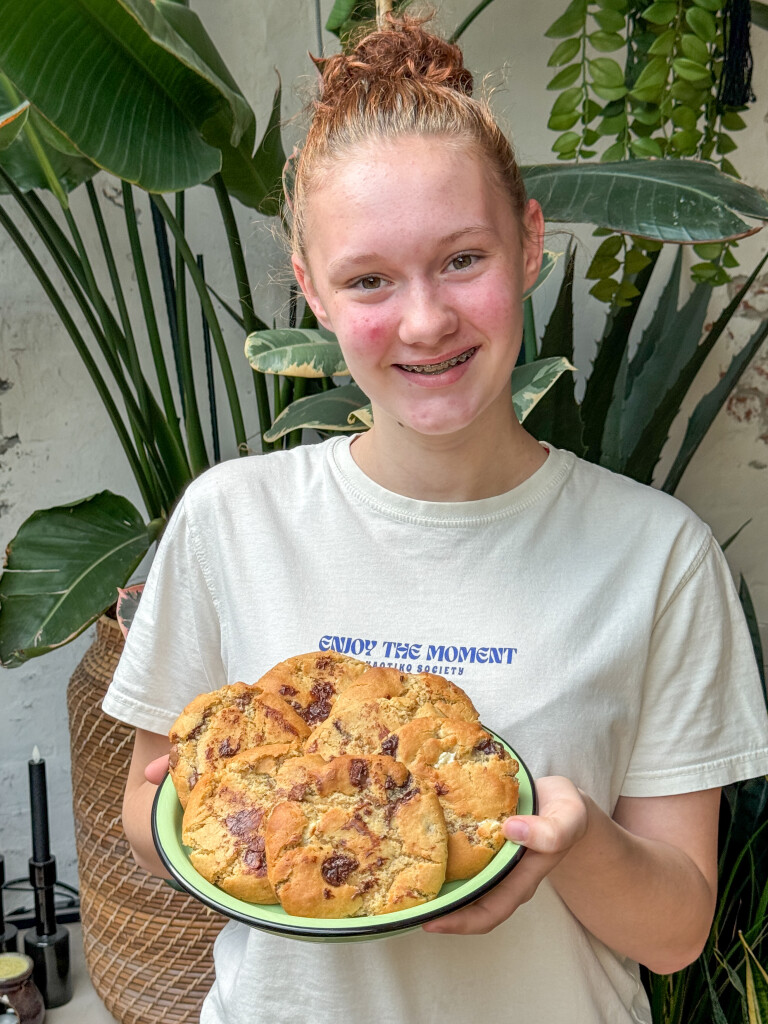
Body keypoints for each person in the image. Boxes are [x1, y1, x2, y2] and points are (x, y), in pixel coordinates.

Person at [104, 15, 768, 1024]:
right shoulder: (230, 522)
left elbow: (676, 930)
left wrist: (577, 843)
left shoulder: (657, 555)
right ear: (314, 292)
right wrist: (250, 812)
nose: (423, 321)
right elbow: (147, 814)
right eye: (369, 279)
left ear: (530, 241)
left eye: (463, 259)